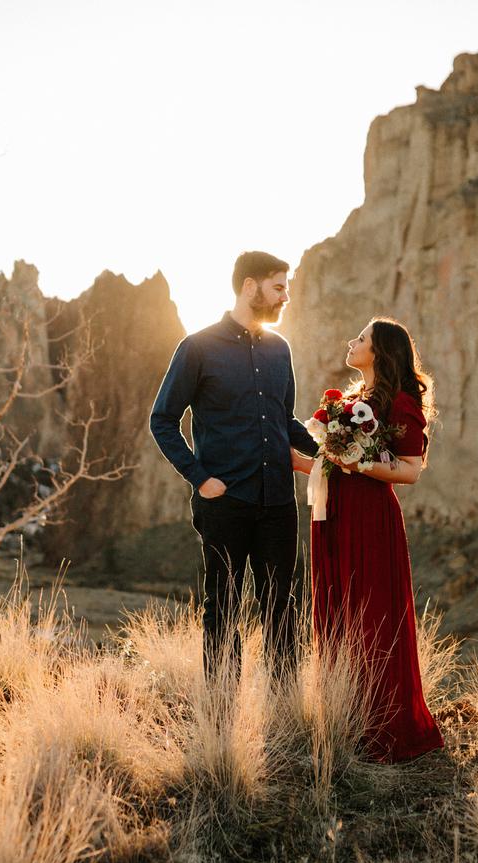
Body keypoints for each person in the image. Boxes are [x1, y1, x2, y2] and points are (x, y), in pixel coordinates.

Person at [150, 251, 320, 685]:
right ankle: (221, 717)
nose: (286, 297)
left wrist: (330, 452)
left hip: (279, 502)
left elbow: (285, 419)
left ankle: (284, 712)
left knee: (284, 607)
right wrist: (201, 479)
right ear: (250, 286)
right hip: (225, 502)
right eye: (279, 287)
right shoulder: (198, 347)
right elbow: (163, 420)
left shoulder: (280, 350)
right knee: (222, 608)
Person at [295, 317, 444, 763]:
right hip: (334, 517)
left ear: (378, 352)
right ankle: (345, 718)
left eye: (360, 338)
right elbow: (332, 463)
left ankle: (385, 725)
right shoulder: (350, 403)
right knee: (337, 610)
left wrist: (358, 463)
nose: (350, 342)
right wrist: (293, 459)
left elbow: (410, 471)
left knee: (373, 615)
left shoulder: (400, 404)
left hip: (371, 521)